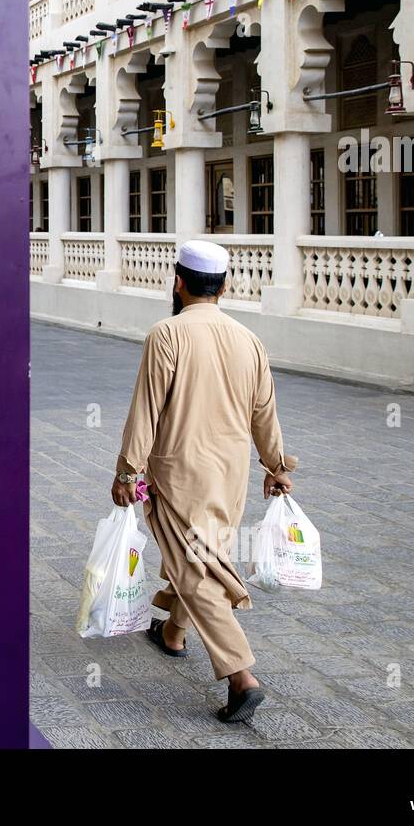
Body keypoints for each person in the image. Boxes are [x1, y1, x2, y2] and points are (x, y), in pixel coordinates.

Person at [111, 239, 296, 724]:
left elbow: (146, 410)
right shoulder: (249, 340)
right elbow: (265, 412)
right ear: (225, 287)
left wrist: (127, 470)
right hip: (230, 477)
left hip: (178, 475)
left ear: (178, 282)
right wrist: (276, 465)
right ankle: (173, 633)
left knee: (196, 568)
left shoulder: (166, 334)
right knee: (202, 557)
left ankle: (241, 677)